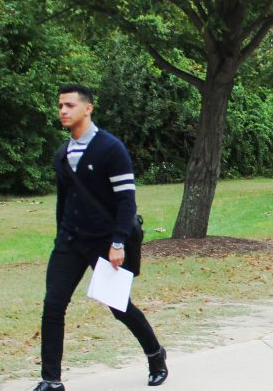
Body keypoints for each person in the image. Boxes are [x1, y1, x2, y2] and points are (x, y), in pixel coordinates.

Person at [35, 84, 167, 391]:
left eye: (69, 105)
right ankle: (51, 380)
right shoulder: (62, 153)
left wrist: (118, 242)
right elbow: (64, 201)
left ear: (88, 108)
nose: (63, 111)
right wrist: (60, 237)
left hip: (105, 242)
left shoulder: (111, 149)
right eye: (60, 106)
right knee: (53, 306)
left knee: (119, 307)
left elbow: (126, 202)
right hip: (70, 242)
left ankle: (155, 354)